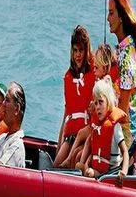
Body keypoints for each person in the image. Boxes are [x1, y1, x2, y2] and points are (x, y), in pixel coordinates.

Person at [107, 0, 136, 157]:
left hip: (124, 142)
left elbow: (122, 112)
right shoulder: (124, 50)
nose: (108, 18)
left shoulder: (125, 59)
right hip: (124, 135)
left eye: (111, 13)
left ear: (121, 17)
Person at [57, 40, 113, 168]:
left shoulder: (105, 80)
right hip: (88, 126)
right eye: (75, 51)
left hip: (96, 126)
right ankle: (77, 163)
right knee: (79, 147)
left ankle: (78, 163)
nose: (94, 70)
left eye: (97, 68)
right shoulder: (95, 79)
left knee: (80, 143)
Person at [52, 26, 94, 168]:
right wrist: (59, 146)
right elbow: (67, 113)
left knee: (75, 158)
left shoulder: (94, 71)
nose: (78, 55)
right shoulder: (68, 77)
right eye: (75, 50)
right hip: (70, 134)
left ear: (87, 50)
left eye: (81, 50)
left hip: (86, 134)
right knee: (56, 165)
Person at [77, 77, 129, 184]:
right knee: (78, 165)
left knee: (89, 172)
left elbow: (125, 152)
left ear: (108, 102)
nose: (97, 107)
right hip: (98, 168)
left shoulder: (115, 127)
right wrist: (85, 163)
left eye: (101, 102)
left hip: (110, 172)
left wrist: (124, 171)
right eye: (96, 103)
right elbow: (92, 146)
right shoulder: (97, 126)